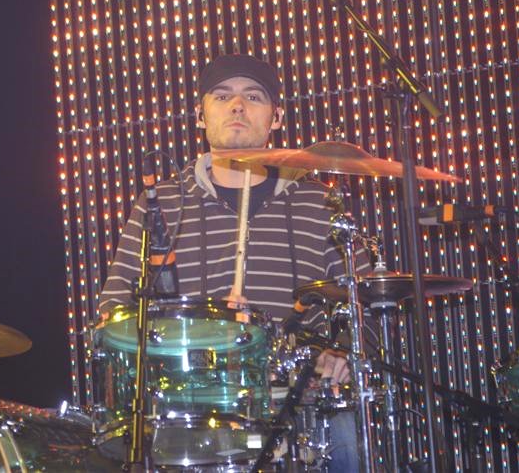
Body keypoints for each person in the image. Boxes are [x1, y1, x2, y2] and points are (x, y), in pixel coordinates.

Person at [99, 53, 368, 471]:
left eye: (253, 97)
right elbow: (113, 307)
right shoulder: (161, 203)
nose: (238, 106)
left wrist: (341, 351)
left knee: (347, 435)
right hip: (193, 402)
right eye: (222, 96)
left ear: (276, 117)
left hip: (301, 400)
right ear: (200, 116)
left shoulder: (319, 203)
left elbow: (367, 298)